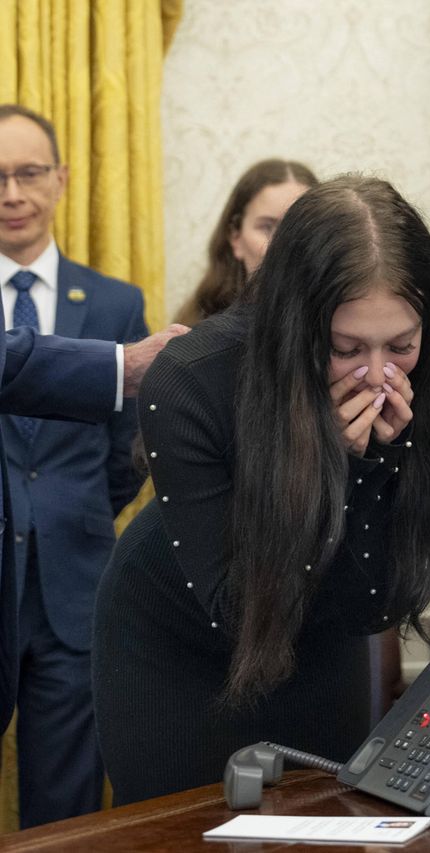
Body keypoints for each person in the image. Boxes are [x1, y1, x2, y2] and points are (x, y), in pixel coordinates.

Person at [92, 176, 430, 805]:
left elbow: (377, 605)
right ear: (296, 328)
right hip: (179, 638)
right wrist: (330, 465)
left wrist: (368, 467)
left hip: (323, 635)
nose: (377, 374)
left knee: (323, 825)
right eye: (346, 347)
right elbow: (239, 612)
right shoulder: (193, 381)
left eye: (401, 346)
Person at [0, 103, 184, 771]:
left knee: (65, 804)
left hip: (73, 588)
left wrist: (73, 512)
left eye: (29, 172)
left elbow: (126, 446)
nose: (13, 195)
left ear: (62, 178)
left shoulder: (113, 302)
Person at [172, 158, 318, 326]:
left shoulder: (341, 326)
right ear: (236, 238)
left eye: (298, 226)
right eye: (267, 227)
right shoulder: (196, 335)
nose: (282, 244)